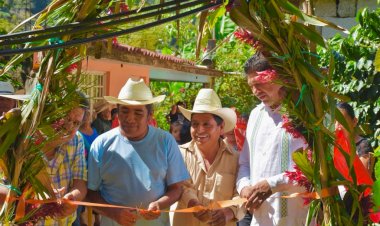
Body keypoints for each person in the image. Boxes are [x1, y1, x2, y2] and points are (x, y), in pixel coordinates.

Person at [86, 78, 190, 226]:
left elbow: (177, 189)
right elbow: (90, 193)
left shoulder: (165, 141)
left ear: (149, 115)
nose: (130, 118)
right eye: (125, 111)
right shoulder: (101, 144)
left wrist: (159, 204)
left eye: (138, 113)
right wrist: (113, 214)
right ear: (117, 111)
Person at [236, 52, 309, 226]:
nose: (255, 91)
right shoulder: (255, 115)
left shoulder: (306, 114)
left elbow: (314, 168)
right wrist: (244, 187)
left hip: (297, 218)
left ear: (277, 77)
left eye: (260, 83)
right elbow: (245, 163)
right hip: (261, 219)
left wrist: (272, 184)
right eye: (251, 86)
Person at [172, 88, 244, 226]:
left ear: (221, 127)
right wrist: (193, 203)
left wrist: (228, 213)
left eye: (206, 124)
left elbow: (241, 195)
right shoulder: (178, 154)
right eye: (195, 124)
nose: (200, 130)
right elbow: (179, 187)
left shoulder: (236, 159)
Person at [336, 102, 374, 174]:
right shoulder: (334, 146)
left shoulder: (364, 146)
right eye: (334, 122)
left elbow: (363, 180)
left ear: (354, 121)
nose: (338, 127)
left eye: (342, 122)